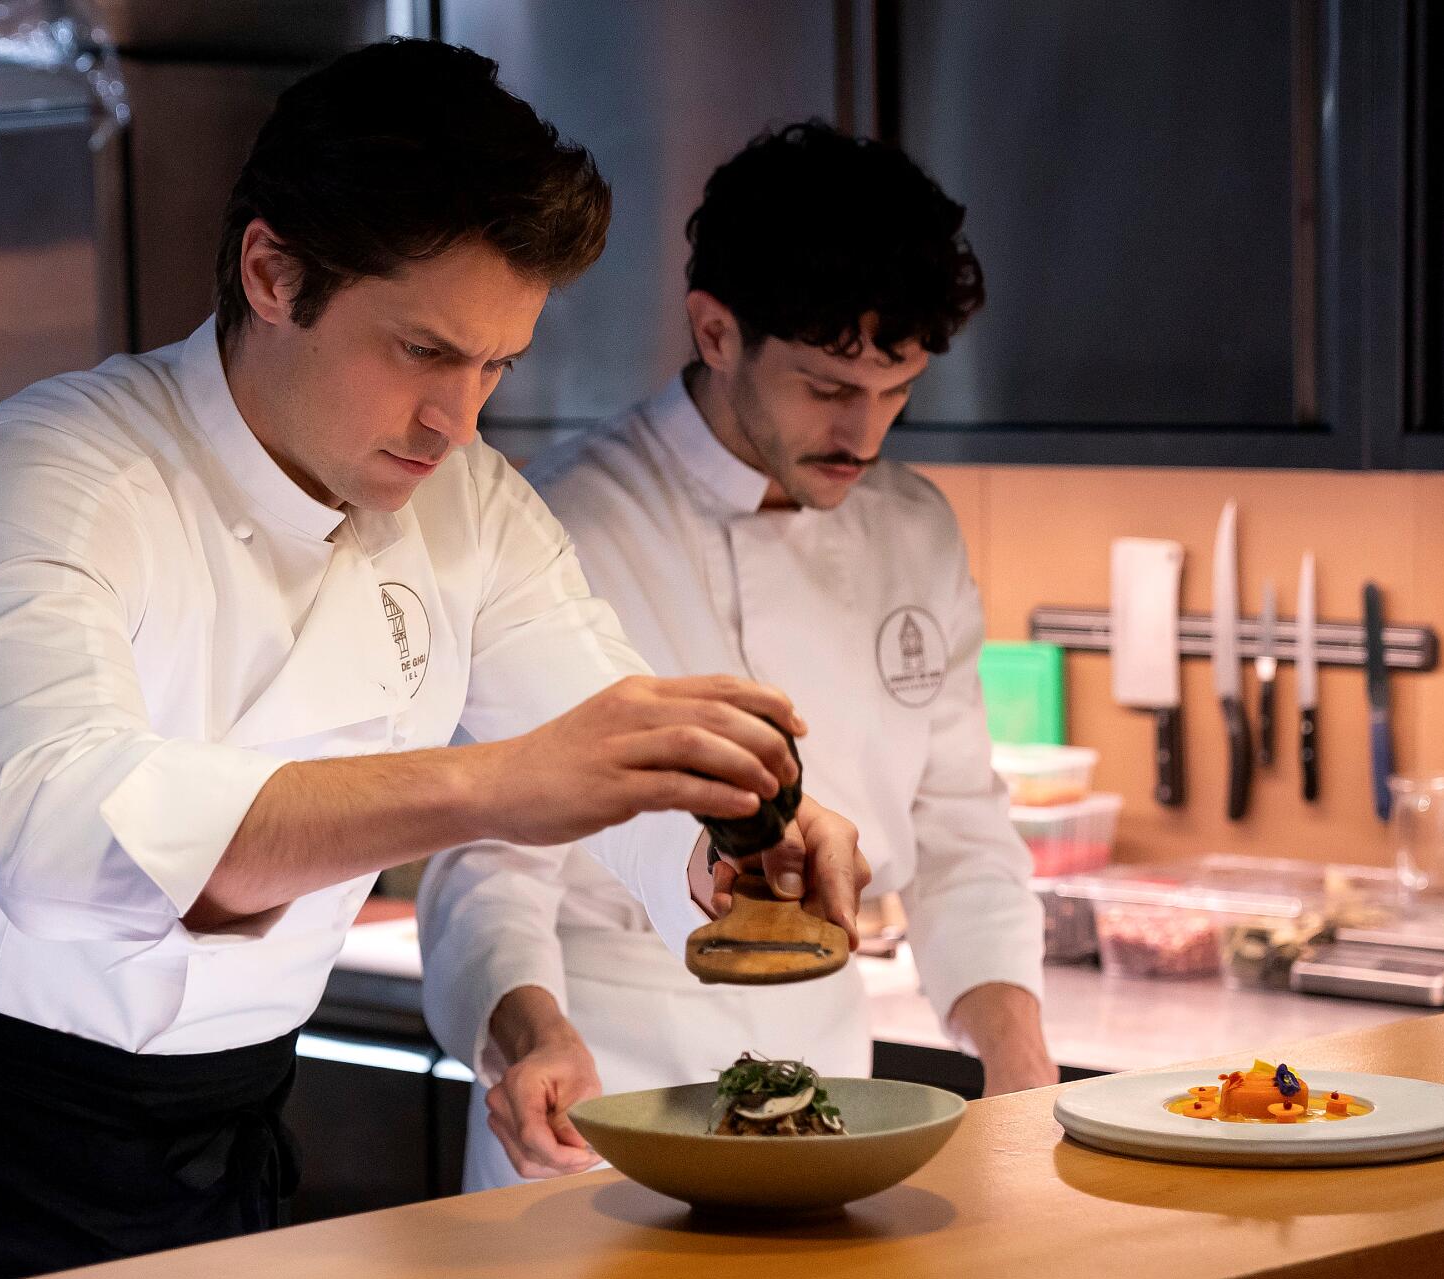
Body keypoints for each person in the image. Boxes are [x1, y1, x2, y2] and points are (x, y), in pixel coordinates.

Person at [0, 46, 867, 1279]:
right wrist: (487, 785)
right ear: (271, 272)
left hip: (213, 1146)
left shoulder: (468, 511)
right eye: (422, 349)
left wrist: (736, 829)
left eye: (494, 365)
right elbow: (61, 845)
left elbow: (601, 726)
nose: (456, 422)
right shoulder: (51, 472)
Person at [418, 122, 1055, 1191]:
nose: (866, 432)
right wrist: (530, 1038)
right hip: (598, 1092)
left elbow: (959, 832)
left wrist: (1018, 1054)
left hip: (831, 1092)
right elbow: (486, 858)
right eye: (825, 387)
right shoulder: (561, 520)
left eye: (896, 389)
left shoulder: (915, 530)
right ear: (714, 333)